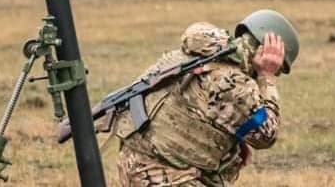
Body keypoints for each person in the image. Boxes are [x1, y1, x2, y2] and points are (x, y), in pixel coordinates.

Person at [109, 10, 299, 186]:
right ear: (264, 51)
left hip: (134, 163)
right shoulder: (234, 83)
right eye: (278, 68)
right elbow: (266, 136)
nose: (277, 72)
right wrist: (267, 77)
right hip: (160, 174)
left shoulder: (197, 56)